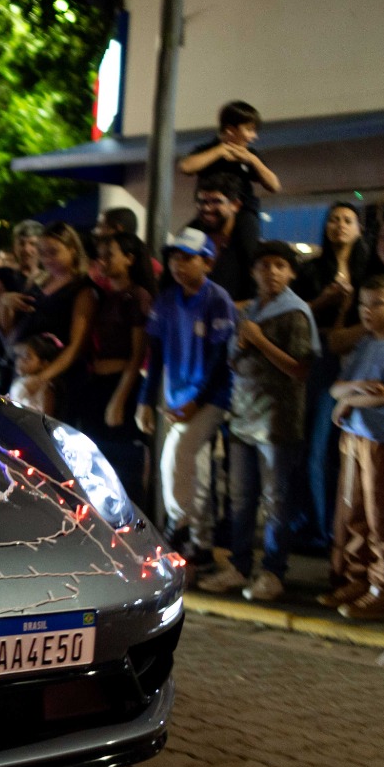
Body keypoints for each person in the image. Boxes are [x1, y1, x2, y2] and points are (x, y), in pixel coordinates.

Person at [198, 242, 318, 601]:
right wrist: (244, 345)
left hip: (277, 422)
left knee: (276, 500)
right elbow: (234, 359)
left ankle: (273, 571)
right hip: (242, 417)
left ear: (291, 272)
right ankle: (238, 566)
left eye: (280, 265)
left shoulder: (296, 313)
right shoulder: (249, 310)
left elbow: (299, 369)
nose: (271, 272)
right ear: (253, 272)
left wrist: (260, 341)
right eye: (264, 265)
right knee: (240, 498)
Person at [137, 227, 237, 566]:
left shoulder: (217, 299)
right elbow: (156, 353)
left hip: (211, 397)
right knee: (194, 465)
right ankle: (201, 541)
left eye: (188, 258)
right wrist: (145, 400)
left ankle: (177, 527)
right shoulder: (167, 300)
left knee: (177, 453)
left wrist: (197, 401)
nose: (179, 265)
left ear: (207, 262)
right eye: (175, 258)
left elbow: (220, 360)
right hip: (177, 396)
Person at [320, 274, 384, 621]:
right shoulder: (365, 344)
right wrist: (355, 392)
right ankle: (358, 578)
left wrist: (349, 400)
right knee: (353, 512)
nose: (368, 311)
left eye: (378, 304)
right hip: (355, 436)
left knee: (382, 517)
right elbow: (336, 388)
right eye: (363, 304)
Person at [294, 202, 376, 549]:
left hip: (362, 363)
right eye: (333, 220)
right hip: (322, 361)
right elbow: (296, 315)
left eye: (347, 220)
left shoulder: (369, 270)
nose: (339, 225)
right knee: (315, 445)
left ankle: (338, 527)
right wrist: (324, 301)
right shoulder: (312, 270)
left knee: (344, 450)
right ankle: (317, 527)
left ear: (359, 229)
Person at [78, 231, 155, 505]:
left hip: (121, 385)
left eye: (110, 255)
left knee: (123, 469)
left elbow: (138, 355)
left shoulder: (137, 297)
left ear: (130, 258)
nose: (103, 260)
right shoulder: (107, 295)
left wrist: (119, 400)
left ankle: (132, 525)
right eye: (101, 255)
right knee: (96, 464)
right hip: (98, 385)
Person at [1, 223, 97, 423]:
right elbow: (12, 335)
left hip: (57, 380)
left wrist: (42, 378)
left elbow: (76, 346)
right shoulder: (37, 283)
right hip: (25, 372)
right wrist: (5, 305)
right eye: (43, 253)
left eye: (54, 252)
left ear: (72, 249)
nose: (47, 259)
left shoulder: (82, 290)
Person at [178, 100, 281, 221]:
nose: (254, 136)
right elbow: (186, 167)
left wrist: (252, 160)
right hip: (211, 214)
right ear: (230, 130)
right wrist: (220, 150)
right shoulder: (207, 150)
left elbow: (274, 186)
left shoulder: (251, 155)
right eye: (249, 130)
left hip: (243, 214)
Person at [189, 172, 260, 302]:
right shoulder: (190, 237)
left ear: (235, 205)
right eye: (203, 202)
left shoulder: (246, 244)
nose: (207, 208)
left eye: (216, 201)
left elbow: (258, 297)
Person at [10, 334, 61, 415]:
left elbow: (45, 417)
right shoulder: (23, 380)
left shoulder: (46, 389)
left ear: (43, 364)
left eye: (28, 357)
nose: (21, 360)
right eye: (21, 355)